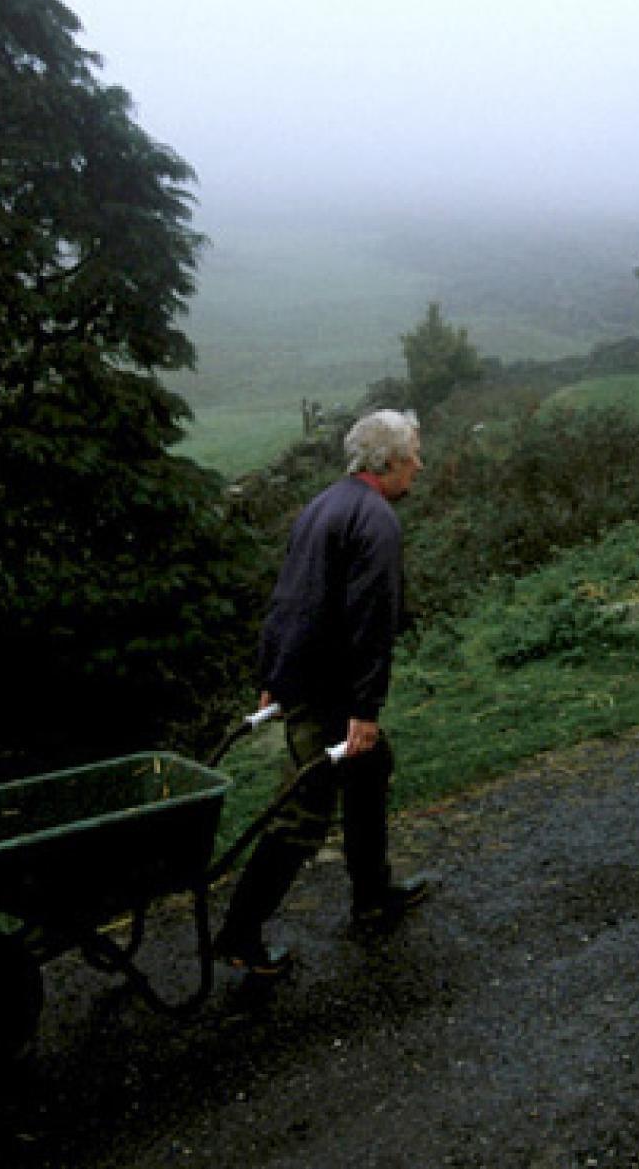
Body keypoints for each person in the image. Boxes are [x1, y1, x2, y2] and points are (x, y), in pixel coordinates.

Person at [215, 409, 434, 975]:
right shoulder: (376, 520)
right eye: (413, 455)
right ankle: (240, 935)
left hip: (309, 678)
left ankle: (372, 895)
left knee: (371, 767)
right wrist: (365, 708)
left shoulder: (323, 506)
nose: (419, 465)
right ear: (388, 462)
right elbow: (371, 621)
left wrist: (273, 676)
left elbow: (289, 598)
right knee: (305, 810)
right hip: (332, 690)